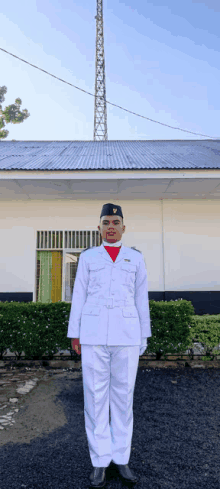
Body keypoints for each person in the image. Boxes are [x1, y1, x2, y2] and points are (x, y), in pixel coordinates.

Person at [67, 203, 152, 488]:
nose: (111, 226)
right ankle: (100, 461)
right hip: (93, 335)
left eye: (116, 221)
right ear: (99, 228)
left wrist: (143, 336)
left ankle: (121, 458)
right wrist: (75, 333)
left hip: (127, 335)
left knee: (123, 399)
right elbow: (78, 295)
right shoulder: (89, 257)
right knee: (94, 398)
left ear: (124, 227)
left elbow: (142, 298)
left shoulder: (135, 258)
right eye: (106, 222)